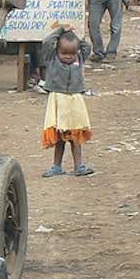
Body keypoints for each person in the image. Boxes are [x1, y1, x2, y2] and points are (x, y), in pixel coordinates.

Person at [40, 26, 94, 178]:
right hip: (58, 99)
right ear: (56, 49)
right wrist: (61, 31)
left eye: (72, 53)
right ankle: (57, 167)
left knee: (75, 135)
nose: (68, 57)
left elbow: (86, 47)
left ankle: (79, 166)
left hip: (75, 100)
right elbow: (46, 42)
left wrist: (75, 36)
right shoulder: (52, 58)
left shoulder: (80, 57)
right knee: (59, 136)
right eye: (64, 53)